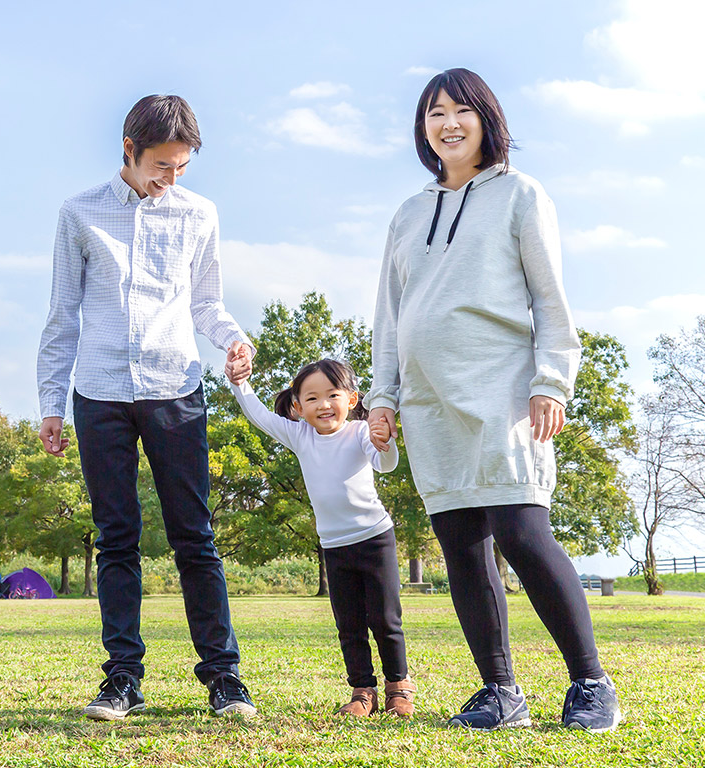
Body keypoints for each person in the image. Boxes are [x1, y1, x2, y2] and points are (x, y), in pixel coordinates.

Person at [365, 68, 621, 732]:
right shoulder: (408, 211)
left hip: (504, 388)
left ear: (486, 117)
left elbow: (549, 300)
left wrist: (550, 381)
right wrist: (382, 396)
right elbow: (389, 316)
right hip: (427, 403)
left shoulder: (520, 195)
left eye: (459, 110)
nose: (446, 123)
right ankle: (500, 693)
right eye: (433, 113)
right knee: (460, 543)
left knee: (522, 531)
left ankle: (590, 682)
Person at [37, 94, 257, 720]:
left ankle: (224, 677)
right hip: (99, 392)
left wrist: (234, 341)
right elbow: (62, 314)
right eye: (162, 165)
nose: (171, 179)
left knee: (196, 538)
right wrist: (52, 401)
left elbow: (208, 304)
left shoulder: (199, 214)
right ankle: (122, 680)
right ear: (129, 150)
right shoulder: (79, 213)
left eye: (182, 167)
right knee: (116, 540)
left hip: (175, 390)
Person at [225, 356, 417, 717]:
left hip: (375, 538)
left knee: (385, 619)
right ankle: (363, 691)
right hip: (334, 546)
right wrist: (240, 385)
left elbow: (385, 465)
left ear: (352, 399)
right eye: (311, 398)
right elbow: (261, 417)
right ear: (297, 407)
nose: (323, 405)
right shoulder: (300, 436)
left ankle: (398, 687)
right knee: (349, 625)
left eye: (332, 395)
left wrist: (384, 443)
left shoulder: (360, 432)